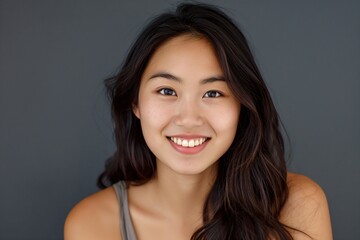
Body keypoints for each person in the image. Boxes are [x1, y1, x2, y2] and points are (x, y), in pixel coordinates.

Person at [64, 3, 332, 240]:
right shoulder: (92, 224)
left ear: (242, 106)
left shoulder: (299, 207)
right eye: (167, 91)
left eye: (213, 93)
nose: (189, 118)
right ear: (136, 102)